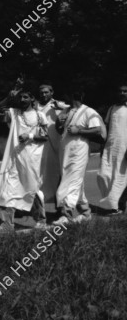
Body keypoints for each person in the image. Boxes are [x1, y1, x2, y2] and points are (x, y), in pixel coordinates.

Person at [0, 90, 49, 233]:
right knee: (9, 189)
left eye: (25, 97)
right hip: (14, 158)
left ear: (32, 98)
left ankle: (41, 220)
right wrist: (8, 97)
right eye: (20, 97)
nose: (22, 100)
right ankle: (7, 224)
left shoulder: (39, 115)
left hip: (31, 158)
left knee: (31, 188)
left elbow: (45, 136)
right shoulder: (14, 113)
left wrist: (29, 135)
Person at [53, 90, 104, 225]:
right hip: (65, 150)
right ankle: (86, 213)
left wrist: (79, 131)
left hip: (79, 150)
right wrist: (59, 123)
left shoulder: (88, 111)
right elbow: (61, 130)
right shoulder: (67, 111)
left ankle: (66, 214)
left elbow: (97, 130)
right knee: (74, 180)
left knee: (72, 181)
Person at [36, 84, 69, 204]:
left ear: (52, 92)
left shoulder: (59, 105)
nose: (43, 95)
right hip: (38, 142)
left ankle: (59, 204)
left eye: (46, 92)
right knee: (38, 172)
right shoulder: (35, 105)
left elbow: (74, 109)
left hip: (55, 143)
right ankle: (37, 202)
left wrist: (60, 108)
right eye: (41, 93)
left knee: (56, 172)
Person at [98, 85, 127, 215]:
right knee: (104, 175)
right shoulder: (112, 108)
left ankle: (119, 206)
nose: (122, 93)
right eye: (120, 91)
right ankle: (110, 203)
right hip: (110, 148)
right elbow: (107, 128)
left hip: (125, 149)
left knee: (122, 177)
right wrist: (102, 147)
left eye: (125, 91)